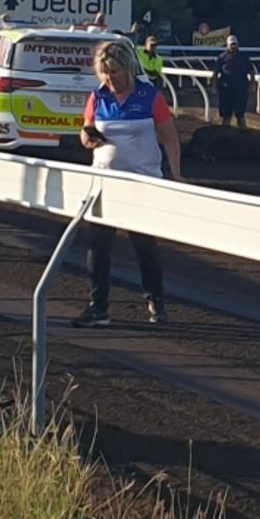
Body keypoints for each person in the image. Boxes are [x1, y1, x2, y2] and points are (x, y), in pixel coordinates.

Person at [73, 40, 184, 328]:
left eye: (115, 73)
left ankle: (156, 303)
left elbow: (169, 138)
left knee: (145, 247)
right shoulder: (98, 97)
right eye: (105, 74)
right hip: (104, 183)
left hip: (141, 184)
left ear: (129, 69)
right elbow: (85, 132)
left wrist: (176, 172)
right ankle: (98, 308)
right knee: (98, 246)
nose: (110, 80)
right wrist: (88, 137)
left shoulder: (150, 96)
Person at [211, 35, 255, 129]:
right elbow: (215, 73)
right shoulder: (222, 57)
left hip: (241, 90)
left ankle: (243, 137)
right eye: (231, 45)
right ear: (227, 45)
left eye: (234, 44)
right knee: (226, 117)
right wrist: (214, 87)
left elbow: (251, 71)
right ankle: (225, 137)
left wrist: (252, 84)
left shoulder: (244, 57)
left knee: (240, 115)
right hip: (226, 91)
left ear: (238, 44)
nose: (233, 46)